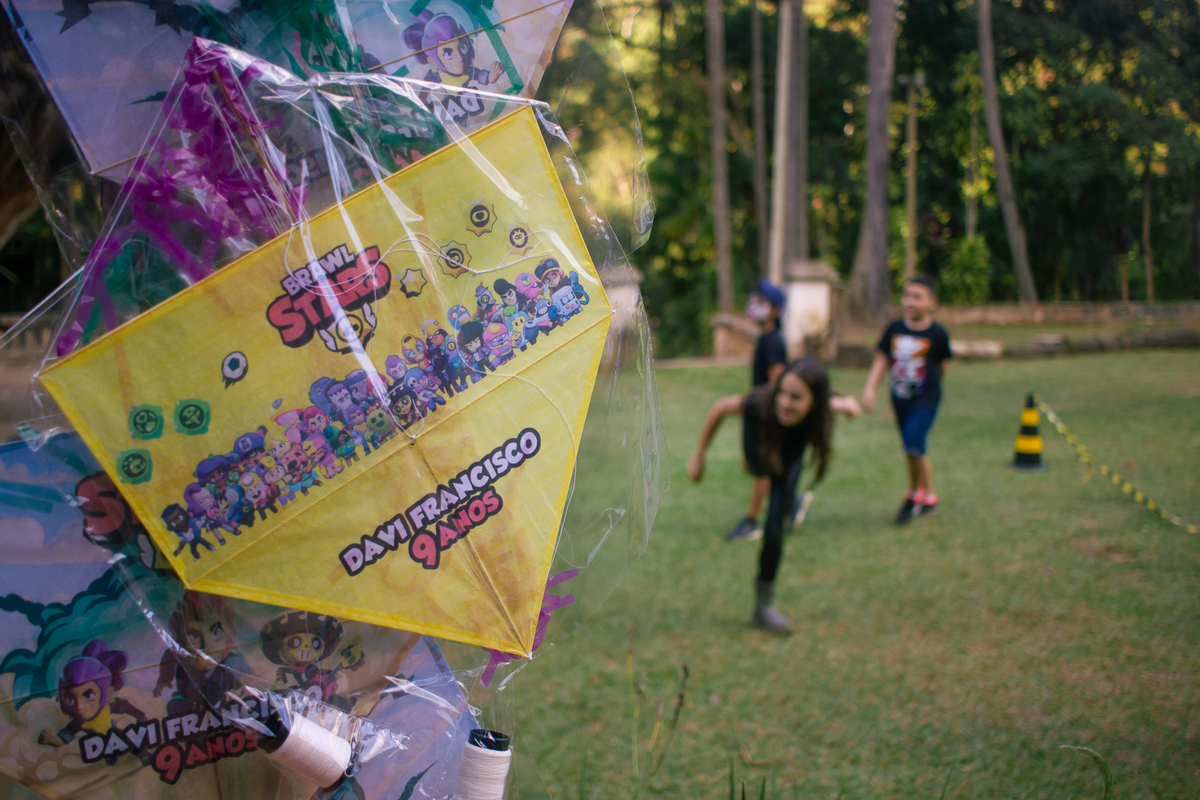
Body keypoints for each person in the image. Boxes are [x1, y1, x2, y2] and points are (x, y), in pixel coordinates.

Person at [687, 358, 861, 632]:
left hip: (788, 457)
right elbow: (721, 407)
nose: (785, 402)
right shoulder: (760, 403)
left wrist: (849, 405)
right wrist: (699, 456)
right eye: (783, 393)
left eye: (796, 398)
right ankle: (763, 472)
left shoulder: (821, 408)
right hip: (759, 437)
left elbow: (833, 404)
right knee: (757, 465)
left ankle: (763, 608)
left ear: (814, 402)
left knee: (775, 527)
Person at [861, 275, 952, 523]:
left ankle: (913, 495)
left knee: (913, 443)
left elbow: (942, 367)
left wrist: (930, 390)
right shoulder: (894, 329)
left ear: (931, 303)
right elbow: (882, 359)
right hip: (900, 399)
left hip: (926, 399)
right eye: (907, 296)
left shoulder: (938, 334)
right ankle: (930, 496)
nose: (909, 302)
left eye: (917, 297)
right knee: (915, 448)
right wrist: (870, 388)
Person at [725, 280, 800, 542]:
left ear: (775, 310)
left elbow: (776, 382)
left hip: (764, 413)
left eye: (761, 301)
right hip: (757, 411)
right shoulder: (766, 339)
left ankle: (751, 521)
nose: (753, 305)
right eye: (754, 299)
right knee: (754, 464)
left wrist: (761, 407)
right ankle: (792, 499)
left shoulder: (773, 342)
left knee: (762, 468)